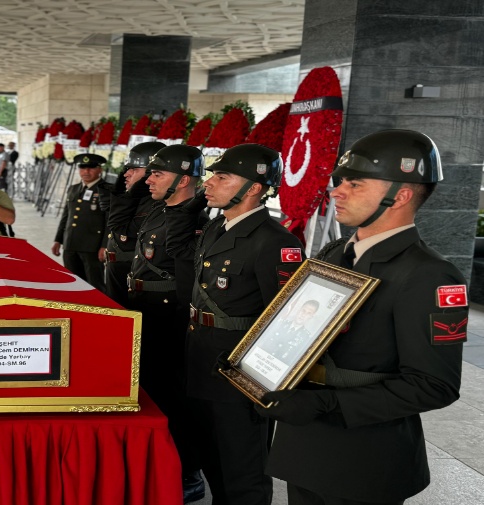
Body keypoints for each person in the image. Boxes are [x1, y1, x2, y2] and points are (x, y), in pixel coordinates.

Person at [258, 129, 465, 505]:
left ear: (400, 195)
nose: (337, 191)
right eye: (340, 182)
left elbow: (435, 385)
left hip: (364, 459)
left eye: (355, 184)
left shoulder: (429, 275)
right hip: (304, 447)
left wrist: (328, 404)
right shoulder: (335, 253)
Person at [185, 143, 304, 505]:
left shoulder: (276, 242)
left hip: (240, 372)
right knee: (213, 458)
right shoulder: (214, 228)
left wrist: (262, 385)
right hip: (201, 357)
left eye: (222, 176)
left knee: (243, 470)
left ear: (253, 187)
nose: (210, 182)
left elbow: (286, 322)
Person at [128, 144, 209, 503]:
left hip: (171, 316)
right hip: (147, 309)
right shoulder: (161, 211)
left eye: (158, 173)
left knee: (176, 397)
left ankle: (189, 471)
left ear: (184, 179)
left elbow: (189, 279)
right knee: (153, 393)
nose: (149, 179)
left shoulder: (195, 220)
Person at [104, 141, 165, 306]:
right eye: (127, 169)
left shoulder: (155, 204)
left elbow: (120, 226)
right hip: (118, 272)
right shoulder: (137, 198)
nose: (126, 174)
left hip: (135, 277)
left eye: (134, 169)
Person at [52, 153, 112, 291]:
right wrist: (58, 240)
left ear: (99, 169)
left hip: (92, 247)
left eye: (91, 167)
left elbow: (110, 222)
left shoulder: (107, 190)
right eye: (82, 167)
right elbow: (66, 216)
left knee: (94, 284)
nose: (86, 171)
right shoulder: (73, 189)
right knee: (73, 282)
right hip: (71, 244)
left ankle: (96, 310)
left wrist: (105, 246)